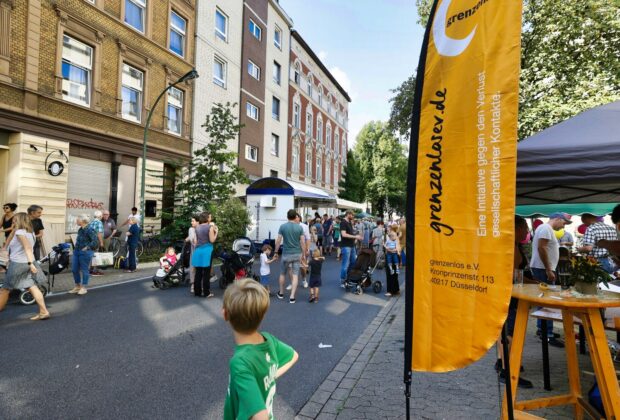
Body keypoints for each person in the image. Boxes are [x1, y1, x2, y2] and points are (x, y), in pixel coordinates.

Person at [222, 278, 299, 420]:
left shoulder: (240, 362)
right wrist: (272, 375)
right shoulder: (269, 340)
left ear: (225, 314)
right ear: (263, 315)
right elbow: (294, 355)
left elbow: (261, 417)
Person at [496, 216, 534, 389]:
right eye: (525, 227)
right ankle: (507, 370)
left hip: (507, 293)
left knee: (503, 330)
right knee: (510, 332)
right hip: (509, 294)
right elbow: (513, 275)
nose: (527, 231)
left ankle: (502, 363)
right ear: (516, 228)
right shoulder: (510, 246)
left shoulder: (512, 244)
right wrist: (534, 283)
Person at [530, 212, 571, 348]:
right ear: (558, 219)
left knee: (544, 300)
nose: (564, 226)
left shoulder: (545, 229)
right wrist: (548, 269)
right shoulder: (546, 228)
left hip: (543, 268)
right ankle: (547, 334)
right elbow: (541, 247)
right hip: (543, 269)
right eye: (564, 223)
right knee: (548, 301)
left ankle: (543, 329)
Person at [0, 212, 50, 320]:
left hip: (19, 264)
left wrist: (30, 264)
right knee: (32, 286)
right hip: (26, 262)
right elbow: (16, 244)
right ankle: (44, 311)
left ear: (20, 220)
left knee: (5, 289)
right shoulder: (30, 232)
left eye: (15, 219)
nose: (13, 220)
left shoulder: (20, 232)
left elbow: (27, 248)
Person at [274, 209, 305, 303]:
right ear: (296, 217)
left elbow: (278, 240)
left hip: (286, 254)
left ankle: (281, 293)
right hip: (297, 254)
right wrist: (303, 254)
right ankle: (292, 297)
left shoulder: (282, 227)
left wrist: (275, 252)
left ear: (287, 217)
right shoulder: (299, 228)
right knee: (295, 275)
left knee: (282, 273)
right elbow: (302, 242)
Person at [68, 214, 99, 296]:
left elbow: (95, 241)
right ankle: (77, 286)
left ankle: (83, 287)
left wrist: (87, 247)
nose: (76, 221)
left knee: (84, 270)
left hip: (85, 252)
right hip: (77, 251)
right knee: (74, 269)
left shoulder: (90, 229)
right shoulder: (80, 229)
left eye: (78, 219)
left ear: (83, 221)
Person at [192, 212, 218, 298]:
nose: (210, 218)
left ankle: (197, 292)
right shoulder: (210, 227)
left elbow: (195, 242)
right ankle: (207, 292)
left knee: (198, 272)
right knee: (206, 273)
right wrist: (216, 232)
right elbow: (212, 240)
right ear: (207, 218)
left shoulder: (197, 227)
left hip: (198, 251)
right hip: (207, 251)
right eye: (210, 217)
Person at [339, 210, 363, 288]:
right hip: (346, 246)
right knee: (345, 264)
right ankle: (342, 280)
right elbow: (344, 234)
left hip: (352, 245)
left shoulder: (349, 222)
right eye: (352, 215)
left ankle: (348, 278)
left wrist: (356, 237)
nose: (353, 217)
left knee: (353, 262)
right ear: (348, 214)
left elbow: (350, 233)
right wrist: (356, 236)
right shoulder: (343, 222)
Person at [89, 210, 105, 276]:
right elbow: (99, 233)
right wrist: (101, 242)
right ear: (100, 216)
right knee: (96, 256)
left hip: (90, 242)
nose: (102, 217)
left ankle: (90, 270)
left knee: (92, 256)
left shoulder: (91, 222)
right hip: (96, 241)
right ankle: (95, 271)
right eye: (101, 216)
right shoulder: (99, 222)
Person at [186, 215, 199, 294]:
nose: (191, 222)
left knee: (198, 269)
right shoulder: (191, 229)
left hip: (198, 251)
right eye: (191, 221)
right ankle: (193, 284)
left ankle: (196, 284)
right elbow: (193, 242)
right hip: (195, 252)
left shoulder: (200, 228)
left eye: (193, 221)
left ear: (198, 221)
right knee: (193, 268)